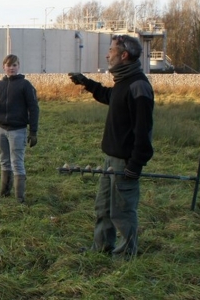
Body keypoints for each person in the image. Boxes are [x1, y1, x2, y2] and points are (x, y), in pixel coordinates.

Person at [68, 34, 154, 260]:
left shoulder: (138, 86)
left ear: (123, 55)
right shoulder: (123, 82)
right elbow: (110, 96)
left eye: (111, 51)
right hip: (110, 158)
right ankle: (102, 247)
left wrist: (135, 164)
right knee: (104, 207)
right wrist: (86, 83)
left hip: (125, 161)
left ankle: (125, 256)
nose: (107, 54)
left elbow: (143, 131)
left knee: (122, 211)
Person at [0, 54, 40, 203]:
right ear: (4, 68)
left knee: (17, 163)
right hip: (0, 129)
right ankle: (4, 193)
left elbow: (34, 108)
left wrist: (33, 131)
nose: (11, 68)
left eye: (14, 65)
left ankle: (19, 199)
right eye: (9, 65)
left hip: (18, 131)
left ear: (19, 66)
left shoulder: (25, 85)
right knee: (4, 161)